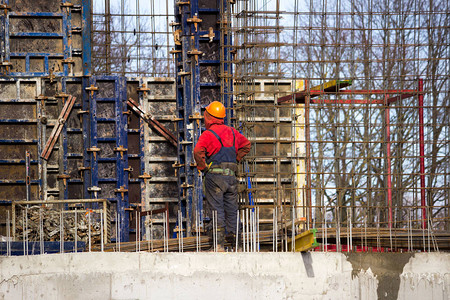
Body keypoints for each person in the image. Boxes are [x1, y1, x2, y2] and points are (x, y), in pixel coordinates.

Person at [194, 101, 251, 251]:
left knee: (216, 210)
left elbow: (197, 151)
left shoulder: (207, 134)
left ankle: (218, 246)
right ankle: (237, 246)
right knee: (232, 210)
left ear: (209, 117)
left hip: (215, 178)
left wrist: (203, 167)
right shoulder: (233, 132)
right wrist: (235, 160)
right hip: (231, 178)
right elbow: (247, 145)